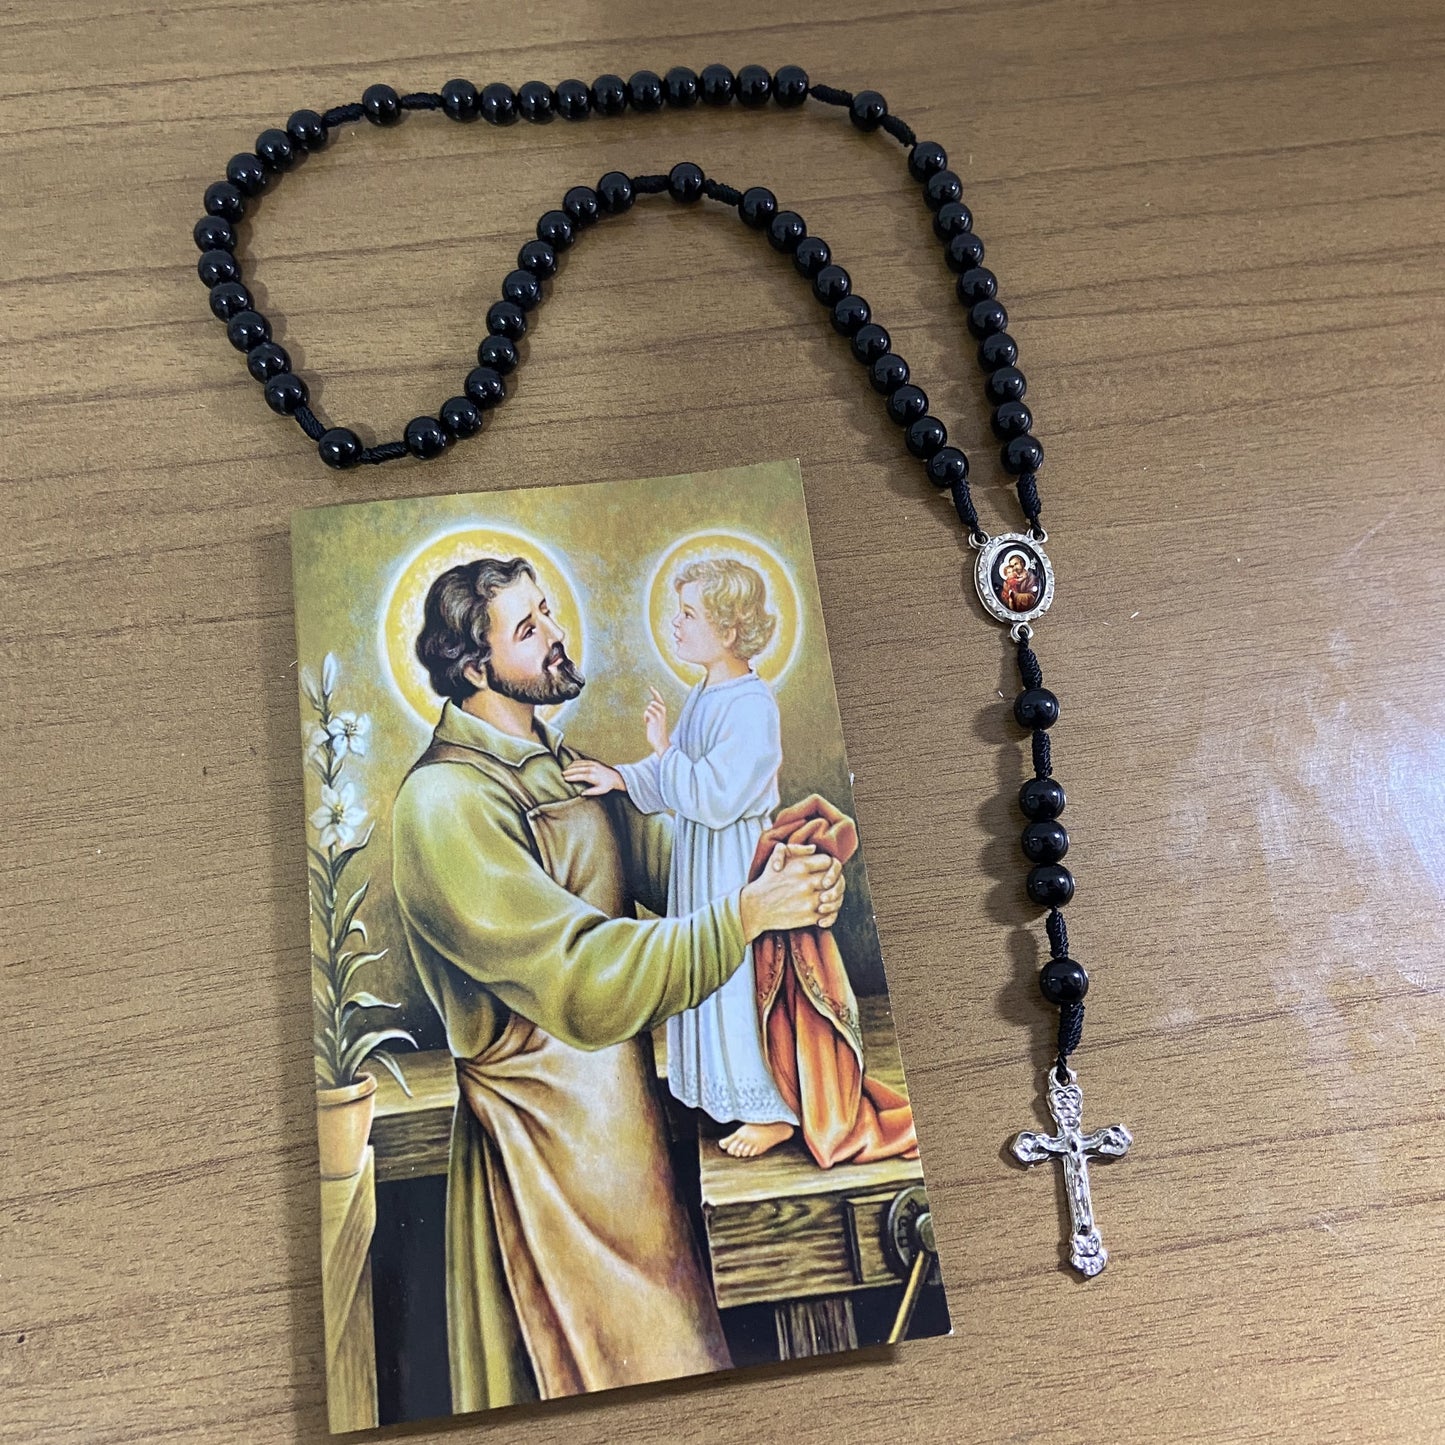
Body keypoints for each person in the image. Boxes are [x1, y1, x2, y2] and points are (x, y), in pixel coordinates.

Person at [390, 555, 846, 1415]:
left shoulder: (556, 763)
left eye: (548, 611)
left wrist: (778, 868)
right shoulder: (445, 803)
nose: (556, 634)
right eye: (528, 628)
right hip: (546, 1164)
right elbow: (580, 972)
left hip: (632, 1143)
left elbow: (668, 872)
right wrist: (745, 914)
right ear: (476, 667)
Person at [564, 557, 799, 1160]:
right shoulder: (705, 692)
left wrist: (663, 749)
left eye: (689, 614)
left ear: (729, 629)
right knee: (706, 969)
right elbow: (681, 774)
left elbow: (716, 796)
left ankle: (769, 1111)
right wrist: (622, 777)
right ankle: (721, 1096)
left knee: (736, 978)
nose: (676, 624)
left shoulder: (752, 705)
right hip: (704, 864)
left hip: (734, 865)